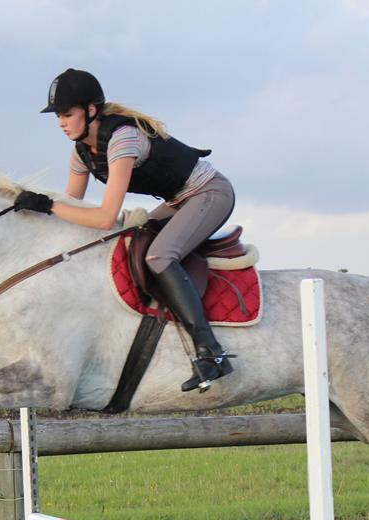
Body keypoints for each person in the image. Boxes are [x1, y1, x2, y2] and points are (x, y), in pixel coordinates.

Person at [14, 68, 235, 393]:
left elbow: (104, 217)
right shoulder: (81, 153)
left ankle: (211, 353)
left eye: (66, 113)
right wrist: (36, 212)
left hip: (210, 193)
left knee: (159, 256)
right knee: (127, 247)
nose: (61, 122)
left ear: (90, 111)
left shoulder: (123, 138)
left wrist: (48, 206)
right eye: (57, 116)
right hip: (178, 199)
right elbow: (70, 206)